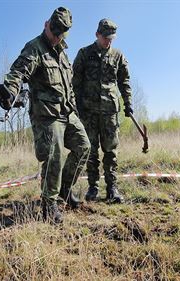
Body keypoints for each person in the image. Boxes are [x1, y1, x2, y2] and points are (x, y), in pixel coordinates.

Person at [1, 7, 90, 223]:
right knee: (55, 156)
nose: (56, 37)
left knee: (84, 147)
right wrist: (10, 91)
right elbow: (18, 73)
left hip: (68, 113)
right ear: (46, 24)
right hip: (47, 116)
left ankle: (65, 192)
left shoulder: (62, 52)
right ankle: (49, 205)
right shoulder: (35, 48)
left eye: (60, 35)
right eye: (54, 32)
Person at [72, 18, 133, 203]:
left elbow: (125, 81)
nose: (109, 41)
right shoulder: (84, 53)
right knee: (91, 151)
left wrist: (128, 102)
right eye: (106, 37)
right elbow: (75, 82)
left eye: (111, 38)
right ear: (97, 34)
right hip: (88, 112)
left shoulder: (118, 56)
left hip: (109, 112)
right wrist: (77, 106)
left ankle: (112, 188)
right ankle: (93, 188)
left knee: (111, 151)